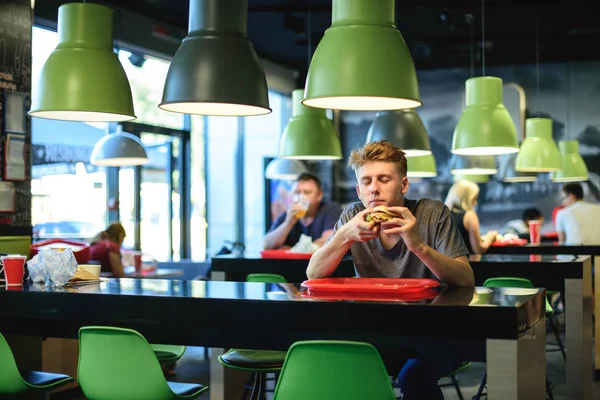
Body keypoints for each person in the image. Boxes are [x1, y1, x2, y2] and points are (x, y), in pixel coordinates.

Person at [307, 140, 473, 400]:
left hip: (434, 331)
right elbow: (313, 274)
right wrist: (344, 236)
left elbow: (465, 279)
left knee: (413, 375)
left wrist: (418, 245)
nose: (374, 188)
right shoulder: (352, 216)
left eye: (384, 179)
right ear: (359, 190)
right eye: (367, 181)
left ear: (403, 185)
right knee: (334, 367)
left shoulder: (432, 213)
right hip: (374, 331)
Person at [264, 173, 342, 250]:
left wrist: (293, 250)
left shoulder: (331, 210)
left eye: (307, 192)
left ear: (319, 196)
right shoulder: (287, 215)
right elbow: (266, 245)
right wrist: (288, 223)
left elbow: (330, 241)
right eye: (297, 192)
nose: (301, 197)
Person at [444, 179, 497, 255]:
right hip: (465, 264)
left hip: (444, 265)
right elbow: (478, 249)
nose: (475, 203)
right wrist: (490, 237)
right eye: (474, 198)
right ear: (467, 198)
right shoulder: (469, 216)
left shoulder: (442, 215)